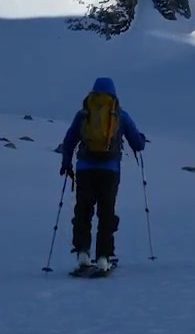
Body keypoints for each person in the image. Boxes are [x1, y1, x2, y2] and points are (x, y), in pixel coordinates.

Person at [59, 76, 147, 273]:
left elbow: (69, 139)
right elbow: (137, 144)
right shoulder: (120, 116)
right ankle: (103, 257)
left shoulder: (83, 114)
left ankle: (83, 253)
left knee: (83, 210)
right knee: (106, 213)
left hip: (84, 170)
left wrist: (66, 163)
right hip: (110, 171)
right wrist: (140, 140)